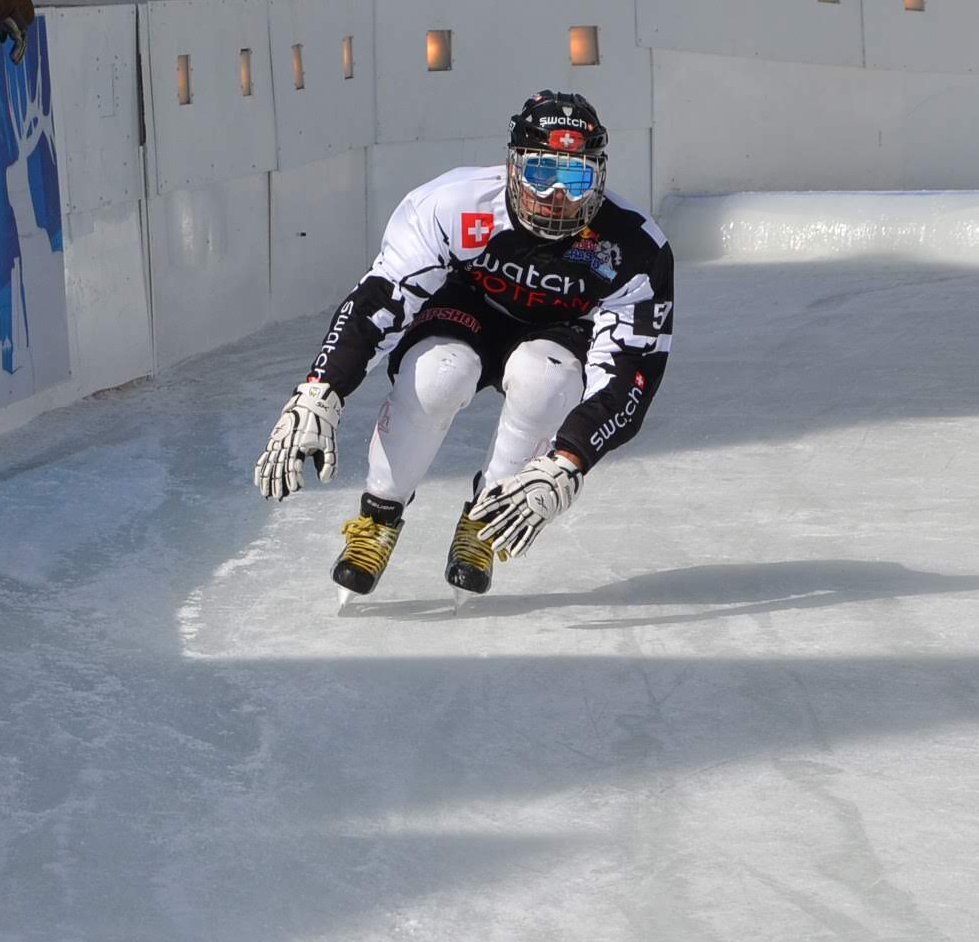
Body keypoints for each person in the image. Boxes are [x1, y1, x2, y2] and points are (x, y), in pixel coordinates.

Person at [254, 91, 675, 597]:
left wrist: (568, 462)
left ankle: (486, 516)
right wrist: (320, 389)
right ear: (514, 167)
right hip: (468, 309)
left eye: (577, 176)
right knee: (437, 374)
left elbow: (632, 373)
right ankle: (379, 515)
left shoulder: (635, 249)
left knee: (546, 381)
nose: (557, 193)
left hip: (561, 333)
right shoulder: (451, 204)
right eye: (542, 172)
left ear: (600, 177)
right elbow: (382, 299)